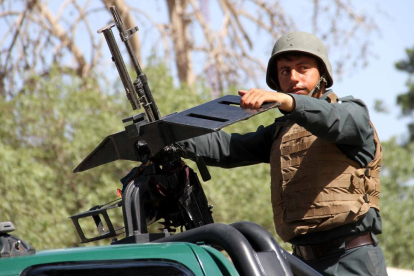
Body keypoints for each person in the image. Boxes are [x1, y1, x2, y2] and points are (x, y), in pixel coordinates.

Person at [178, 31, 387, 275]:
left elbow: (330, 119)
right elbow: (228, 147)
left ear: (322, 76)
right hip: (300, 263)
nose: (294, 78)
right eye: (285, 71)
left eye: (303, 68)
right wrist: (173, 136)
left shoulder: (350, 115)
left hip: (352, 261)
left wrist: (286, 101)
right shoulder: (282, 132)